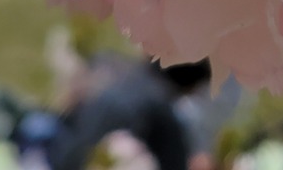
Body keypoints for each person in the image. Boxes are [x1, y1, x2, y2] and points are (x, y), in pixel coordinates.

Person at [45, 59, 213, 170]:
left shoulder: (120, 74)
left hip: (58, 157)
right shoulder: (162, 113)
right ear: (191, 85)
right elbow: (175, 165)